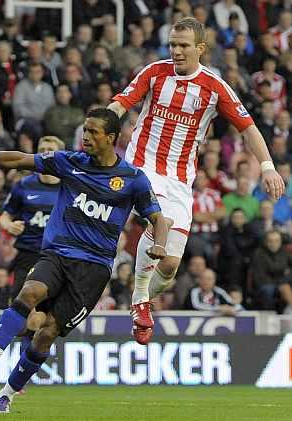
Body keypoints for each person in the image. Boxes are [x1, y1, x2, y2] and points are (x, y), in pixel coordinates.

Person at [0, 108, 167, 413]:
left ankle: (7, 393)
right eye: (85, 129)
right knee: (29, 293)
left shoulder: (132, 179)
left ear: (111, 138)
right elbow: (18, 159)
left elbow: (158, 218)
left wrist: (160, 244)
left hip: (94, 269)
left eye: (93, 132)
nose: (86, 136)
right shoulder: (69, 162)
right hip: (58, 253)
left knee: (47, 333)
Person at [107, 17, 284, 344]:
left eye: (184, 45)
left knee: (171, 265)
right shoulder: (154, 72)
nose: (176, 51)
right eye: (173, 44)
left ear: (200, 48)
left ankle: (140, 298)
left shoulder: (215, 88)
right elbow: (121, 104)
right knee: (160, 219)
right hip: (143, 165)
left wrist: (268, 166)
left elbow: (249, 129)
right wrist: (101, 127)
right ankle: (140, 300)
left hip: (180, 178)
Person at [0, 136, 64, 299]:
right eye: (41, 150)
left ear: (61, 155)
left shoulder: (71, 187)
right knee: (18, 303)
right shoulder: (24, 184)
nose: (45, 154)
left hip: (59, 255)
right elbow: (5, 216)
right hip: (28, 253)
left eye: (50, 150)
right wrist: (9, 226)